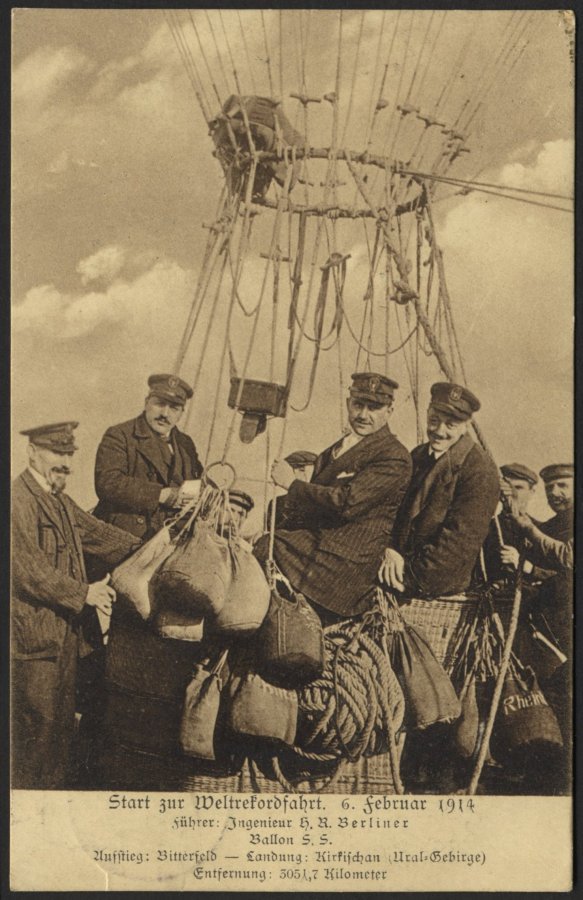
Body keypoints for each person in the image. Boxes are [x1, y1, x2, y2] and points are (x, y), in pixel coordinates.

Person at [11, 422, 139, 789]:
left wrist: (156, 546)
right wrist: (85, 593)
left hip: (65, 639)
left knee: (61, 731)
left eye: (69, 455)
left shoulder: (60, 500)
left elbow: (99, 535)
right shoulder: (16, 499)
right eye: (56, 453)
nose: (65, 462)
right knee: (36, 732)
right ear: (32, 451)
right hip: (33, 642)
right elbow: (27, 571)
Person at [254, 372, 412, 621]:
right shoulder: (342, 446)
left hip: (346, 563)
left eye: (374, 407)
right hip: (326, 546)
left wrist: (293, 485)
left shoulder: (393, 456)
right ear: (349, 403)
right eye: (358, 404)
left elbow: (347, 502)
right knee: (265, 539)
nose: (363, 415)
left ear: (390, 410)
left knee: (268, 547)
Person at [380, 382, 500, 599]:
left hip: (430, 585)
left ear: (467, 425)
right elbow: (391, 513)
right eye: (434, 421)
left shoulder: (480, 470)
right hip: (394, 567)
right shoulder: (417, 456)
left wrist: (404, 576)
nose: (439, 431)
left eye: (450, 425)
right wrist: (388, 551)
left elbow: (457, 546)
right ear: (427, 413)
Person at [505, 463, 573, 755]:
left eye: (563, 486)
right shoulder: (556, 524)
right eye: (550, 487)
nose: (555, 493)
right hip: (550, 620)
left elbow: (567, 559)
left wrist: (529, 563)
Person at [93, 373, 203, 541]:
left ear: (181, 413)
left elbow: (197, 482)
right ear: (146, 403)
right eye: (159, 404)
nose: (165, 414)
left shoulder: (185, 444)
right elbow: (107, 482)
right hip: (126, 540)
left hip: (172, 539)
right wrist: (161, 495)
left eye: (174, 408)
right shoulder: (120, 435)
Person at [477, 462, 539, 585]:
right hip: (490, 598)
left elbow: (558, 575)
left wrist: (523, 564)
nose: (511, 493)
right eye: (507, 487)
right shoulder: (484, 528)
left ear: (532, 491)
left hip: (529, 600)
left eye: (518, 487)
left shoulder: (543, 530)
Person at [267, 450, 318, 530]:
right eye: (301, 470)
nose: (302, 475)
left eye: (302, 470)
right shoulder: (276, 504)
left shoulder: (320, 502)